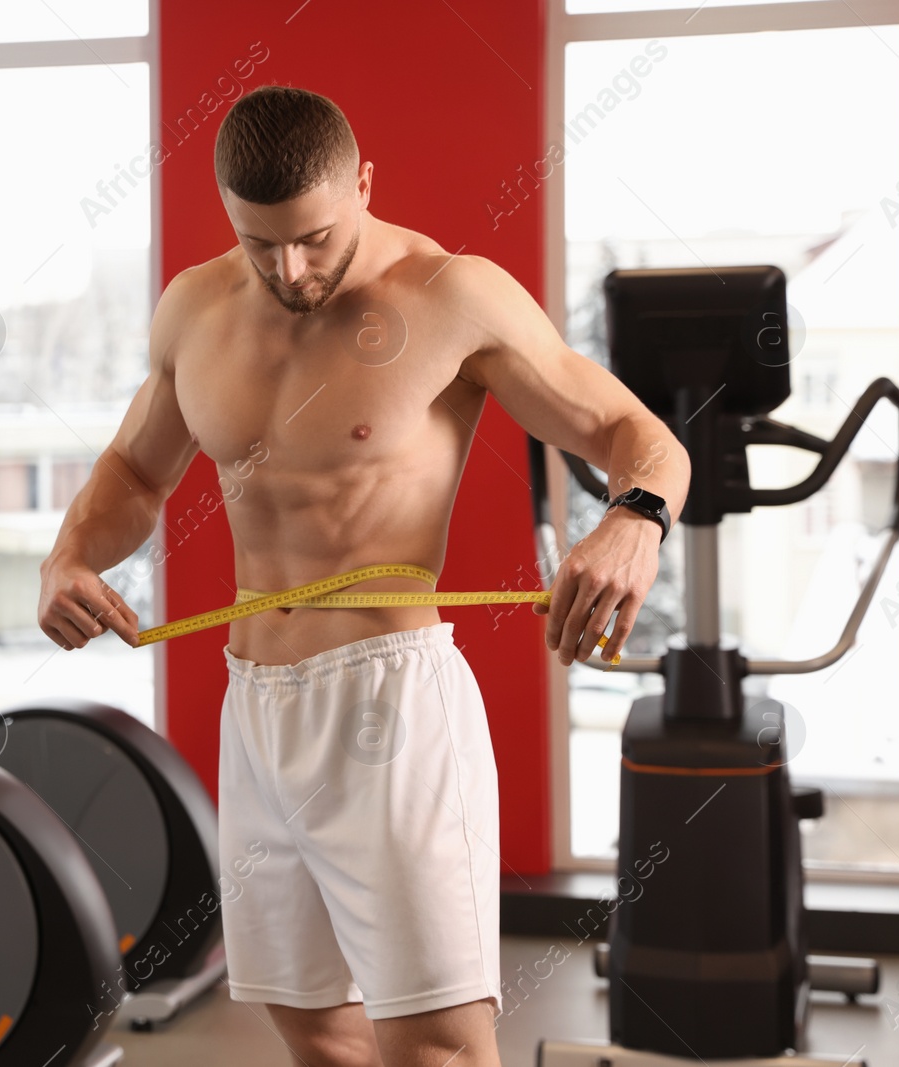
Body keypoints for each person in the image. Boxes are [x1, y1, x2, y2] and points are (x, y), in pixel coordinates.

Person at [38, 85, 687, 1067]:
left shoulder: (447, 294)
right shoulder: (194, 309)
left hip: (388, 699)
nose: (288, 269)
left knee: (436, 1044)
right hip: (256, 703)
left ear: (364, 186)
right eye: (260, 243)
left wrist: (632, 521)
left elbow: (633, 437)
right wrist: (67, 555)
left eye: (313, 239)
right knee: (315, 1027)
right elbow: (134, 469)